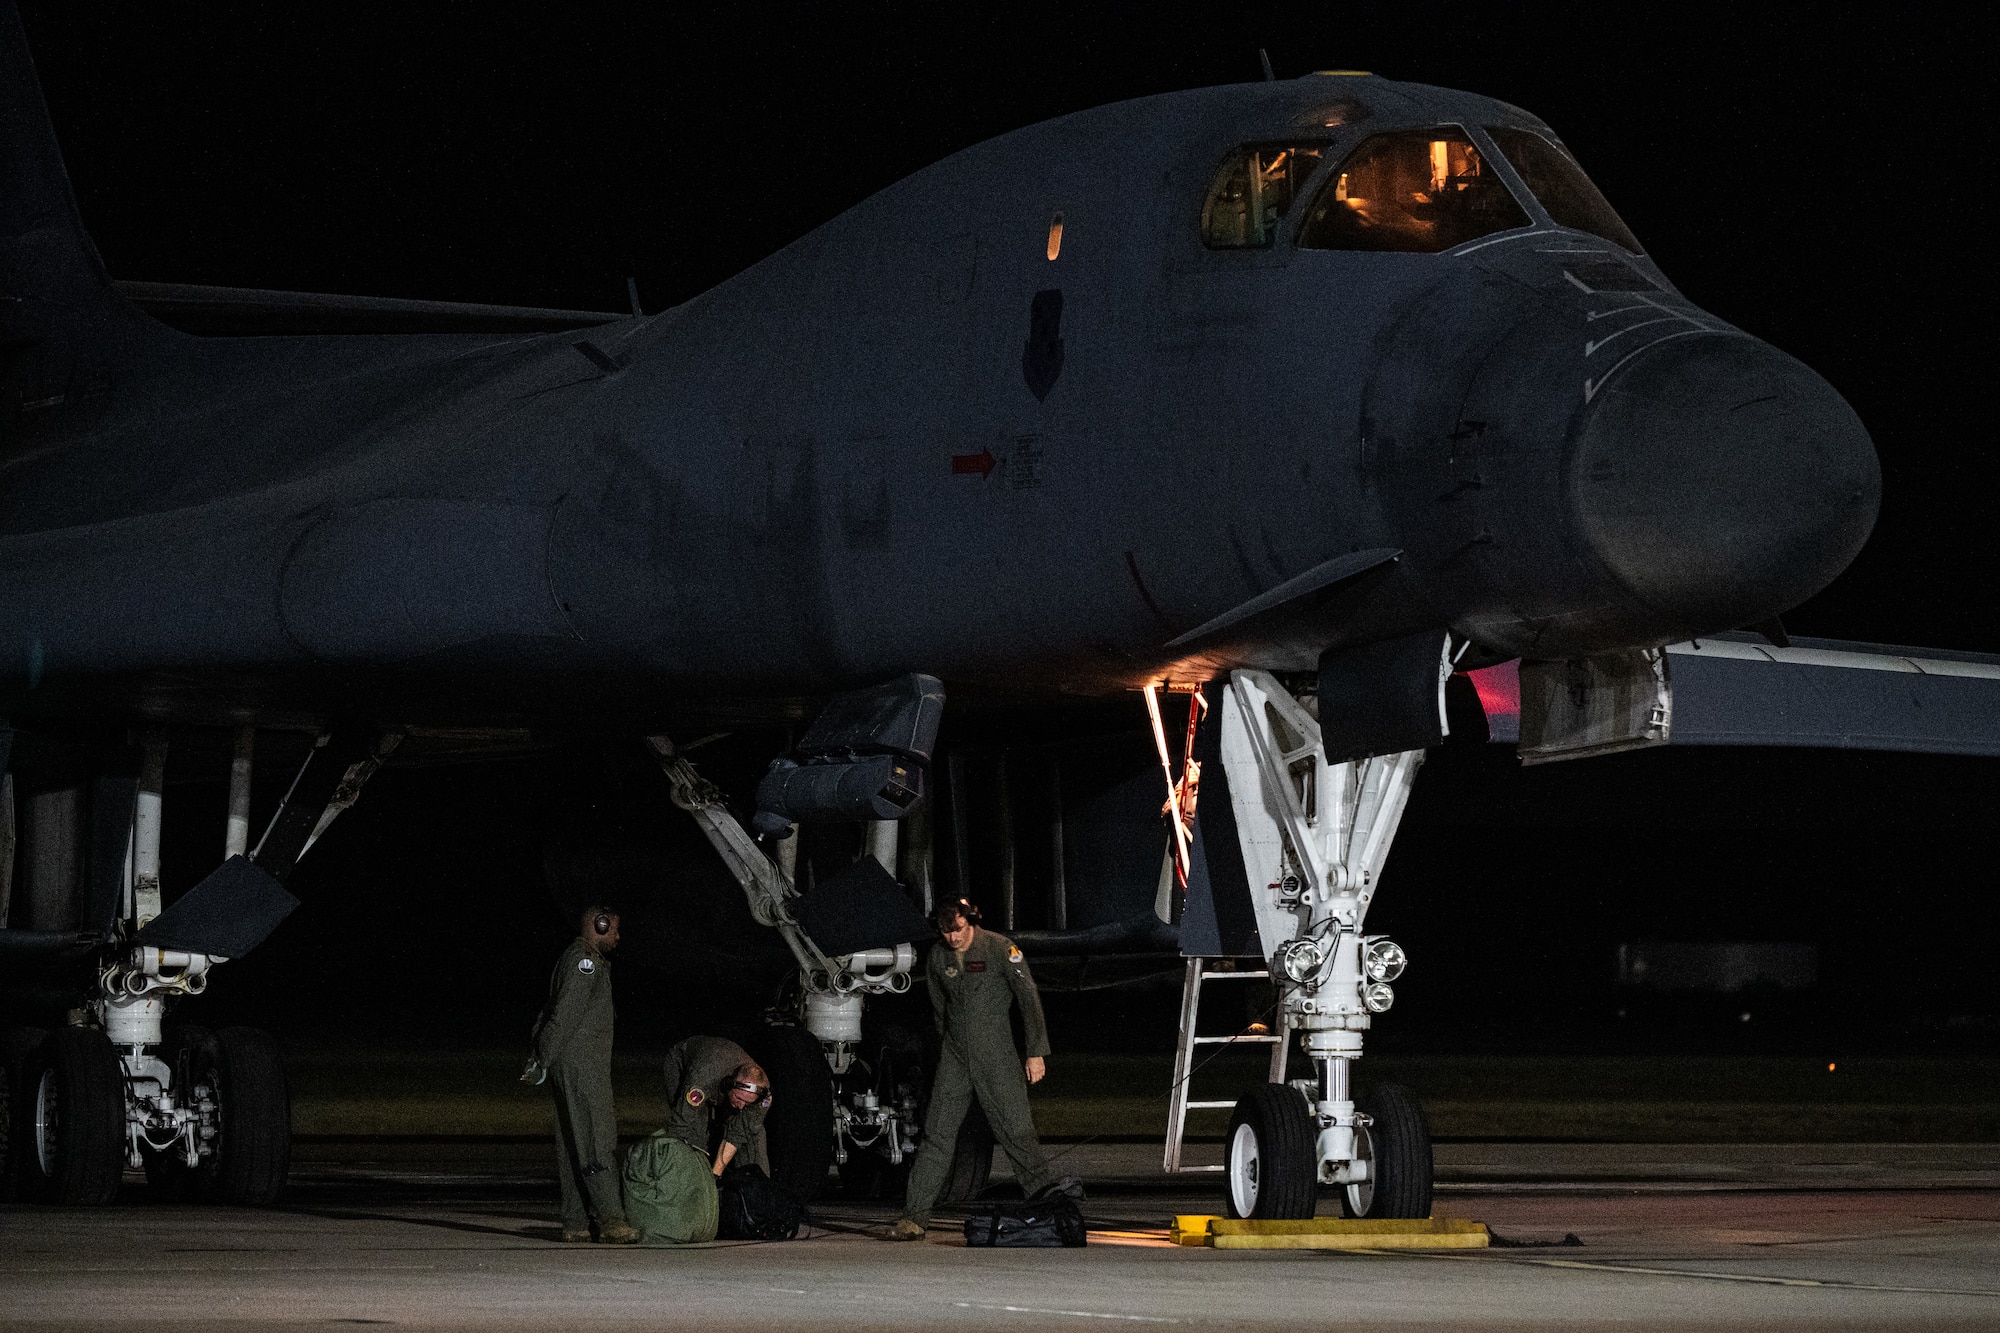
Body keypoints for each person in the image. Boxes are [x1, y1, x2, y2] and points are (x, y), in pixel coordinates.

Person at [889, 897, 1053, 1240]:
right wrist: (948, 1051)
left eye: (958, 930)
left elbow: (1028, 998)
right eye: (945, 931)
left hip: (997, 1057)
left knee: (1017, 1132)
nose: (952, 938)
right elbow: (939, 1009)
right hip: (956, 1058)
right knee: (936, 1135)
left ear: (972, 921)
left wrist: (1035, 1052)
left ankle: (1048, 1210)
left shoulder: (1000, 949)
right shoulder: (937, 957)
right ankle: (914, 1217)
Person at [524, 906, 637, 1244]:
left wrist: (543, 1056)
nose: (617, 937)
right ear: (599, 926)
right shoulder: (584, 962)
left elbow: (551, 1010)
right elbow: (565, 1012)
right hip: (582, 1067)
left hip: (569, 1064)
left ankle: (575, 1222)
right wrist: (542, 1056)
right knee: (596, 1140)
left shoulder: (575, 958)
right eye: (613, 929)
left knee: (573, 1144)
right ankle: (611, 1221)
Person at [660, 1035, 772, 1176]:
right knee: (696, 1128)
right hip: (681, 1064)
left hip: (717, 1074)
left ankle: (754, 1189)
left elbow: (737, 1135)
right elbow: (681, 1124)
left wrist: (716, 1174)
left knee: (753, 1135)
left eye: (747, 1102)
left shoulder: (763, 1097)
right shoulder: (704, 1077)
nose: (741, 1106)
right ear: (729, 1084)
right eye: (739, 1098)